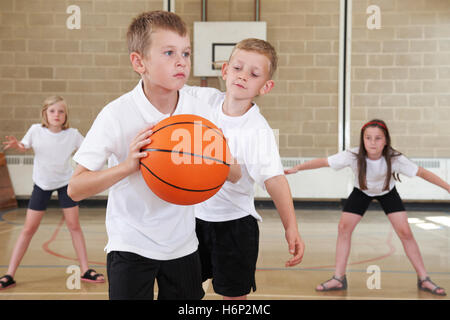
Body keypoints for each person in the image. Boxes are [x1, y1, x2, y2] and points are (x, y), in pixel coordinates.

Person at [67, 11, 240, 300]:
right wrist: (127, 166)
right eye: (169, 52)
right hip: (130, 245)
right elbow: (75, 189)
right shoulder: (116, 114)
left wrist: (215, 159)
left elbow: (233, 174)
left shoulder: (200, 112)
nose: (181, 61)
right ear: (139, 62)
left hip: (183, 246)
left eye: (185, 52)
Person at [182, 38, 305, 300]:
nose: (243, 76)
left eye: (254, 73)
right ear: (225, 70)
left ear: (266, 86)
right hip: (192, 220)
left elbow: (274, 180)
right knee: (184, 291)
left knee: (234, 298)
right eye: (238, 68)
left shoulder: (257, 130)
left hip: (235, 225)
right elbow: (170, 88)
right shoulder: (202, 101)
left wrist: (290, 227)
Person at [285, 119, 449, 296]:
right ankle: (338, 278)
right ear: (362, 139)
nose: (372, 142)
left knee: (405, 232)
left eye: (378, 138)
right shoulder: (353, 155)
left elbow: (422, 173)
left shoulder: (395, 158)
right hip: (361, 192)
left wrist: (448, 187)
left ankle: (424, 278)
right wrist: (298, 168)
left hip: (388, 192)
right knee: (343, 228)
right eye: (368, 138)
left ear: (386, 140)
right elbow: (324, 162)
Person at [0, 95, 104, 290]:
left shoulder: (72, 134)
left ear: (66, 115)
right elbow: (24, 146)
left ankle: (85, 270)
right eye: (52, 111)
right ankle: (9, 274)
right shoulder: (35, 131)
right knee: (28, 229)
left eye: (61, 111)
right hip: (42, 184)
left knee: (74, 226)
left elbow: (90, 149)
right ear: (45, 114)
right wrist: (18, 146)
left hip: (66, 183)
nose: (57, 115)